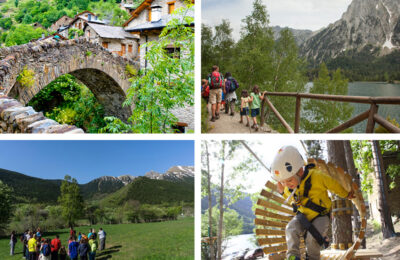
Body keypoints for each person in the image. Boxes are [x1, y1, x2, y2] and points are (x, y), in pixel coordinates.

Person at [270, 146, 355, 260]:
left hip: (321, 215)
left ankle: (313, 258)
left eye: (289, 180)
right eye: (283, 182)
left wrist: (346, 194)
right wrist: (282, 193)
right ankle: (293, 257)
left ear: (300, 171)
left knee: (312, 238)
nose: (287, 184)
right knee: (290, 228)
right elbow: (292, 199)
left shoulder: (318, 176)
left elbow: (333, 185)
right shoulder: (290, 186)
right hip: (303, 216)